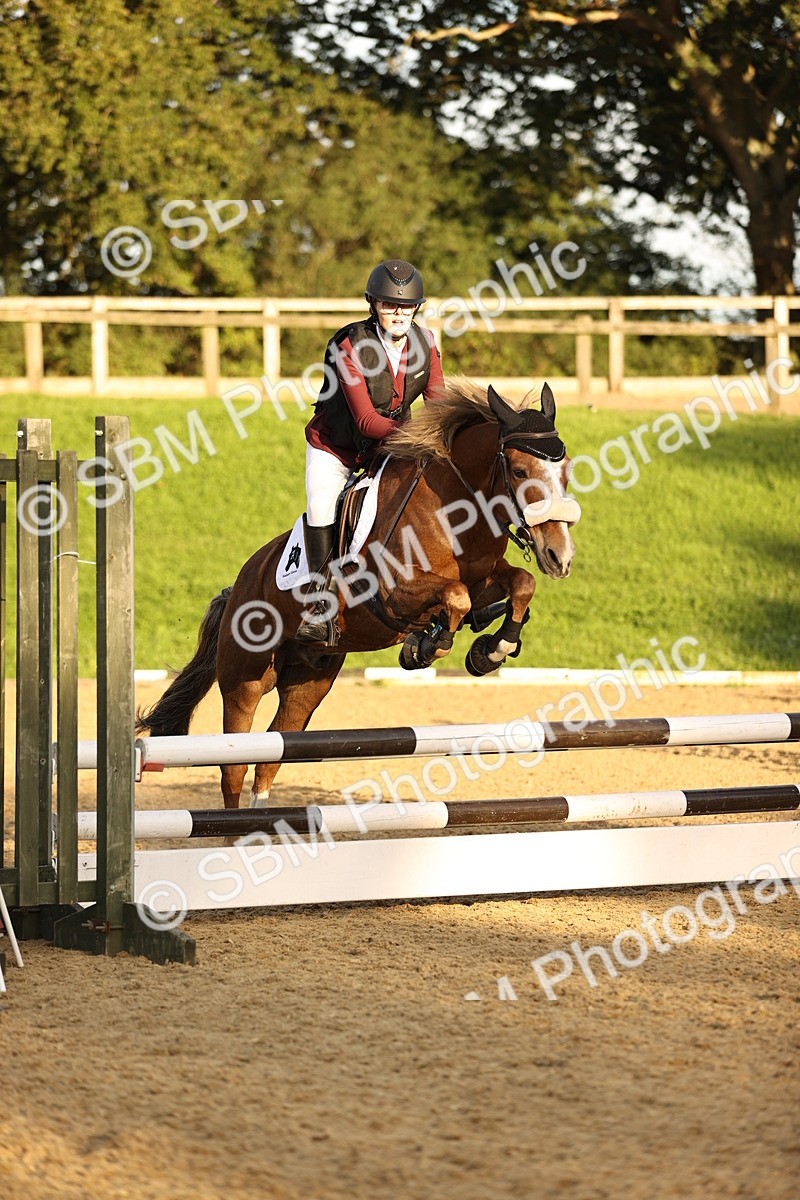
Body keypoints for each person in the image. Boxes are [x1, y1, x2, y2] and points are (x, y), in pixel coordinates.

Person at [297, 258, 445, 643]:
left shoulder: (426, 345)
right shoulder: (348, 345)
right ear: (373, 305)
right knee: (321, 504)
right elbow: (365, 421)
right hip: (336, 448)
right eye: (389, 304)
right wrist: (418, 437)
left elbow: (440, 407)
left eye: (406, 306)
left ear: (416, 308)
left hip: (390, 448)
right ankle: (318, 607)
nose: (398, 312)